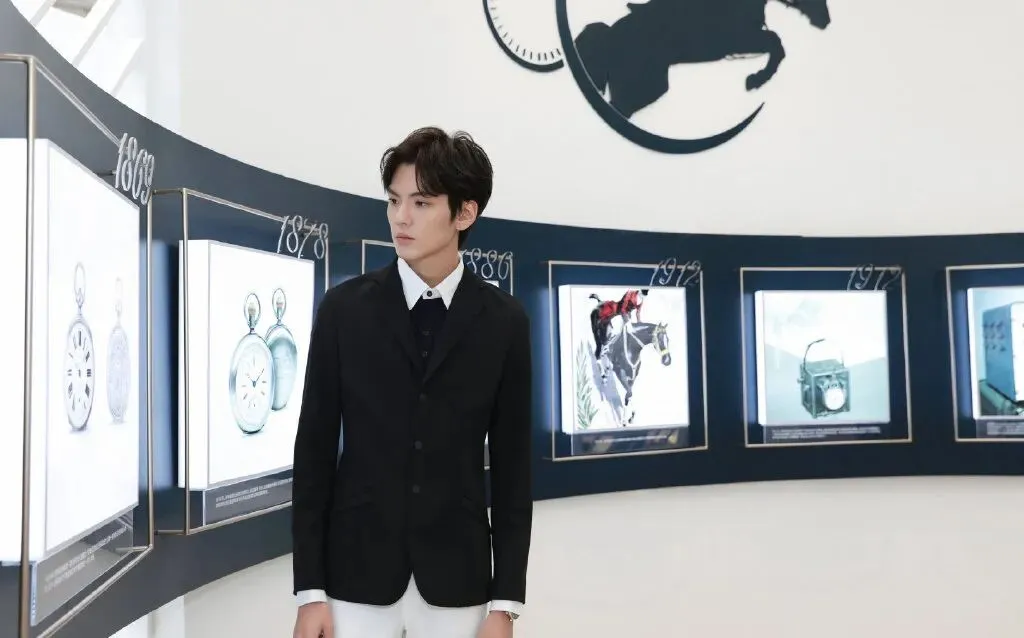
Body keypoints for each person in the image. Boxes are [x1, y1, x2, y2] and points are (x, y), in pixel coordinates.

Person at [291, 126, 533, 638]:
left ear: (465, 213)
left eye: (421, 203)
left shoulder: (504, 322)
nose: (401, 217)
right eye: (394, 200)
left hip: (459, 581)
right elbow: (313, 454)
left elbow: (513, 471)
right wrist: (310, 592)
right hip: (354, 579)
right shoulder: (343, 311)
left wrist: (505, 604)